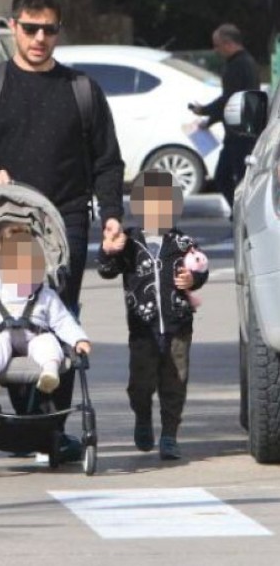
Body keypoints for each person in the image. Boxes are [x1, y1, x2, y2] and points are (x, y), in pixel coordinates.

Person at [0, 0, 125, 449]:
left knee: (57, 316)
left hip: (65, 222)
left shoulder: (81, 90)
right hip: (3, 223)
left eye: (49, 29)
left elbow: (108, 160)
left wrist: (111, 214)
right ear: (13, 27)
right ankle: (13, 422)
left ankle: (50, 429)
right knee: (4, 316)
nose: (40, 38)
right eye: (30, 28)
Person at [97, 169, 209, 460]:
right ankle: (143, 417)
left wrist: (193, 279)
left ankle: (169, 435)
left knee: (175, 381)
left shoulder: (183, 243)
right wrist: (108, 250)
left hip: (178, 326)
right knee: (141, 383)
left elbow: (200, 267)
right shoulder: (130, 242)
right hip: (143, 328)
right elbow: (107, 270)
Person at [0, 225, 91, 395]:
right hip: (0, 333)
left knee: (49, 344)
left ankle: (49, 372)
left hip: (35, 335)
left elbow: (62, 320)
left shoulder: (44, 293)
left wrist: (78, 339)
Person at [189, 23, 260, 211]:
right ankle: (239, 214)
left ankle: (244, 215)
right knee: (225, 177)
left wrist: (204, 110)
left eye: (217, 45)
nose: (216, 50)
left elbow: (229, 99)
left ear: (228, 43)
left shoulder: (240, 65)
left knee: (236, 178)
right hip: (237, 132)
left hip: (241, 134)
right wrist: (210, 121)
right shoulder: (241, 63)